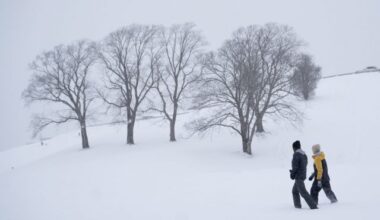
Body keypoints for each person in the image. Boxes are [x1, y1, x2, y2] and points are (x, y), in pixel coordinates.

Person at [290, 140, 318, 209]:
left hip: (298, 176)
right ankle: (297, 206)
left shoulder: (296, 154)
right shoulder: (304, 154)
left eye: (293, 148)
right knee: (294, 191)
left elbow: (295, 166)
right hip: (302, 175)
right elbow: (303, 165)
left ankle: (313, 206)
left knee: (303, 192)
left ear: (294, 148)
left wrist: (292, 174)